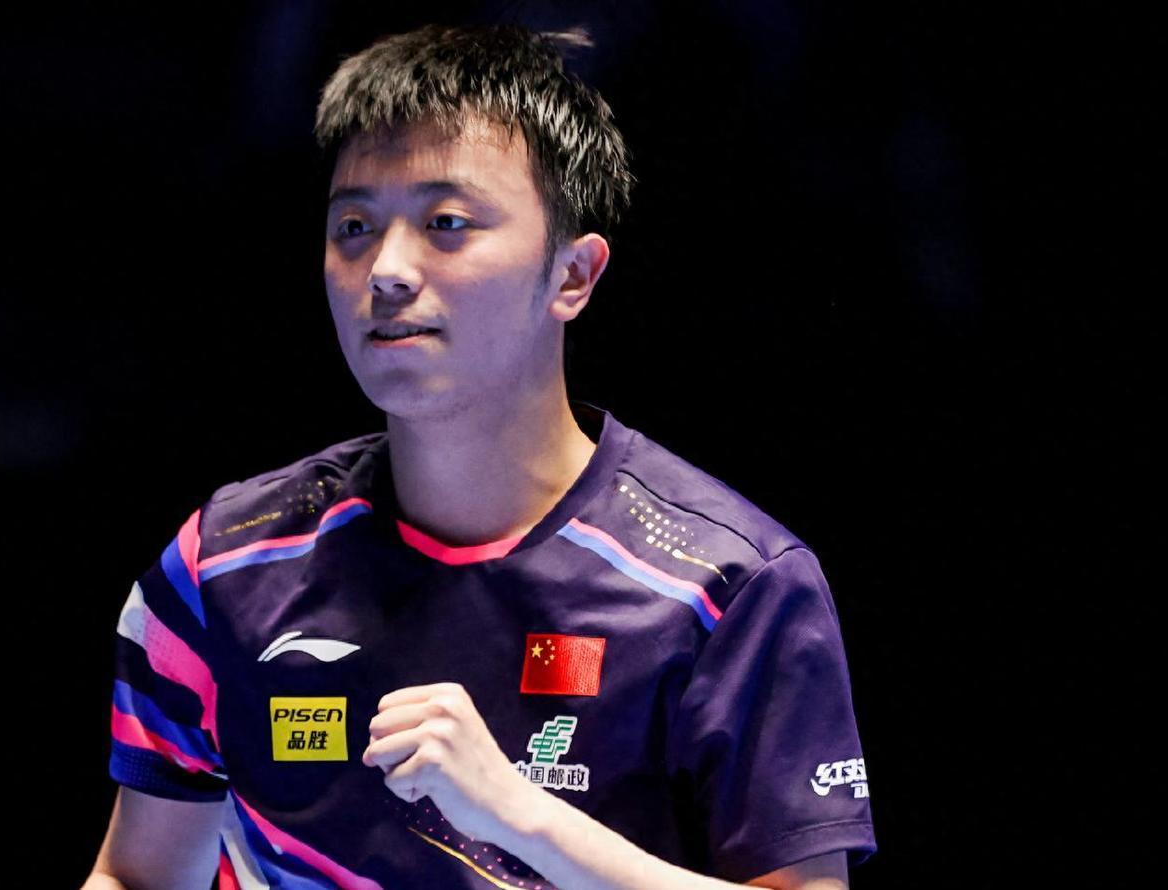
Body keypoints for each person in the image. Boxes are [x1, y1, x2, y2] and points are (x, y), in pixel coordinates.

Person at [82, 22, 876, 890]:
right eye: (354, 225)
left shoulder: (729, 588)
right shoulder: (225, 564)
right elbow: (136, 875)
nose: (386, 269)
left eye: (446, 223)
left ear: (573, 276)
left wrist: (518, 815)